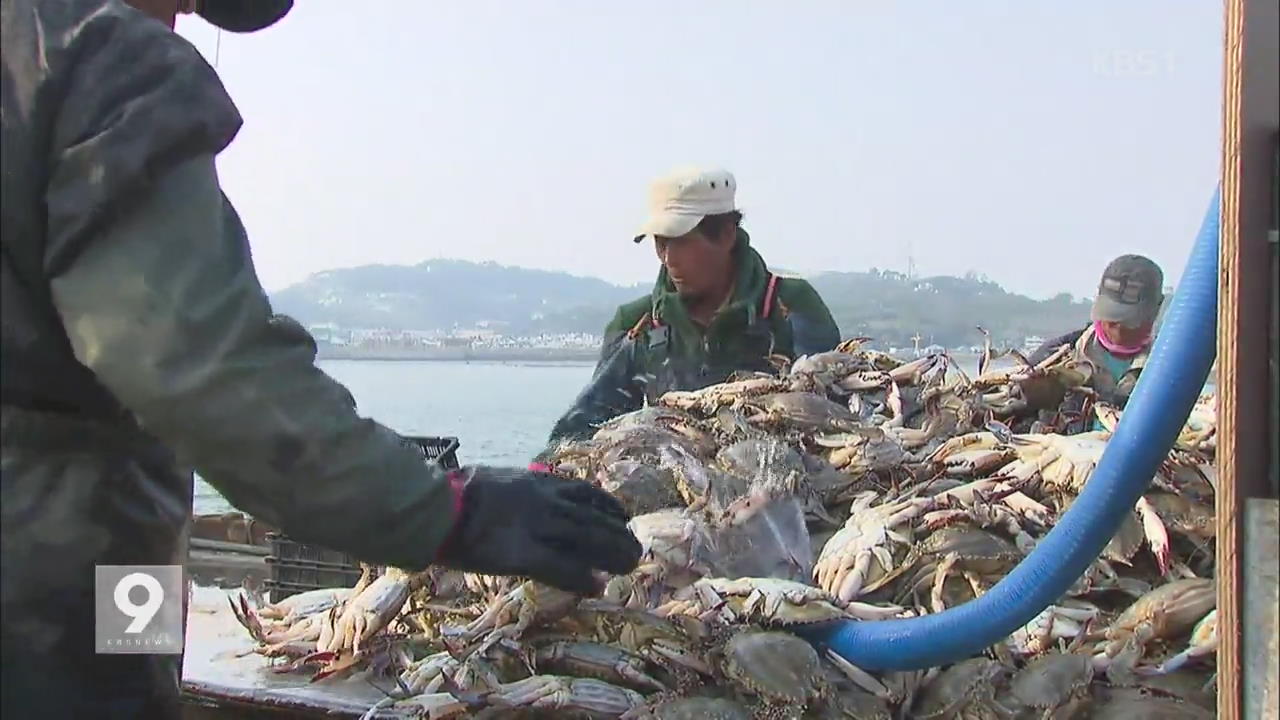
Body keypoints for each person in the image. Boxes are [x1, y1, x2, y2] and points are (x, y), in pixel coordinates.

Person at [0, 1, 640, 717]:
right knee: (126, 688)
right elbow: (202, 370)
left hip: (121, 538)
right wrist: (451, 508)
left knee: (144, 660)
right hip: (66, 575)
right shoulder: (95, 56)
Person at [540, 166, 841, 450]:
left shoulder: (788, 302)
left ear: (726, 235)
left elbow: (831, 405)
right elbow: (587, 425)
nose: (668, 259)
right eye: (661, 243)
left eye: (681, 241)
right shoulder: (636, 324)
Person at [1027, 254, 1165, 432]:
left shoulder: (1166, 368)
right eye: (1113, 316)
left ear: (1156, 308)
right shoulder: (1053, 356)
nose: (1119, 327)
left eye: (1131, 319)